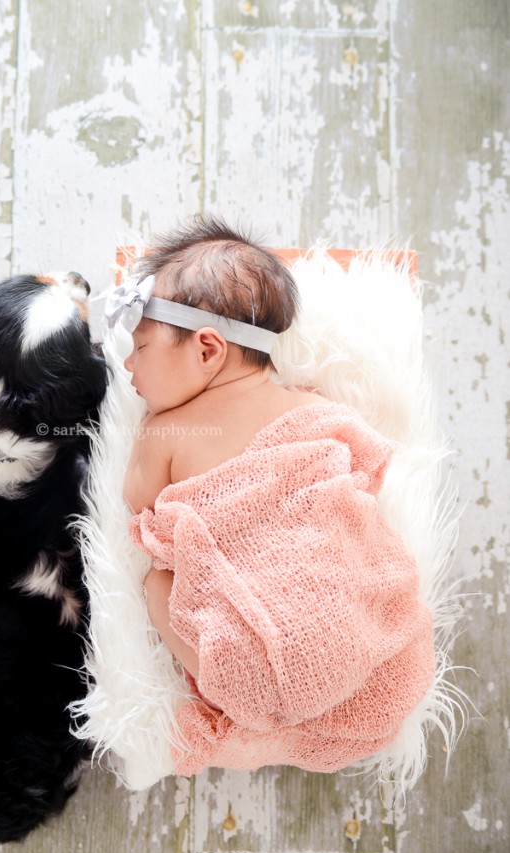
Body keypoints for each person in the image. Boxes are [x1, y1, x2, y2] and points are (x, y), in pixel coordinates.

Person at [106, 216, 436, 776]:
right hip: (352, 638)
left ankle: (255, 705)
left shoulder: (167, 431)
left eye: (139, 347)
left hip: (247, 664)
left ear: (207, 349)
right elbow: (365, 464)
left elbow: (141, 507)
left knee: (156, 582)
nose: (128, 364)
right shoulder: (309, 408)